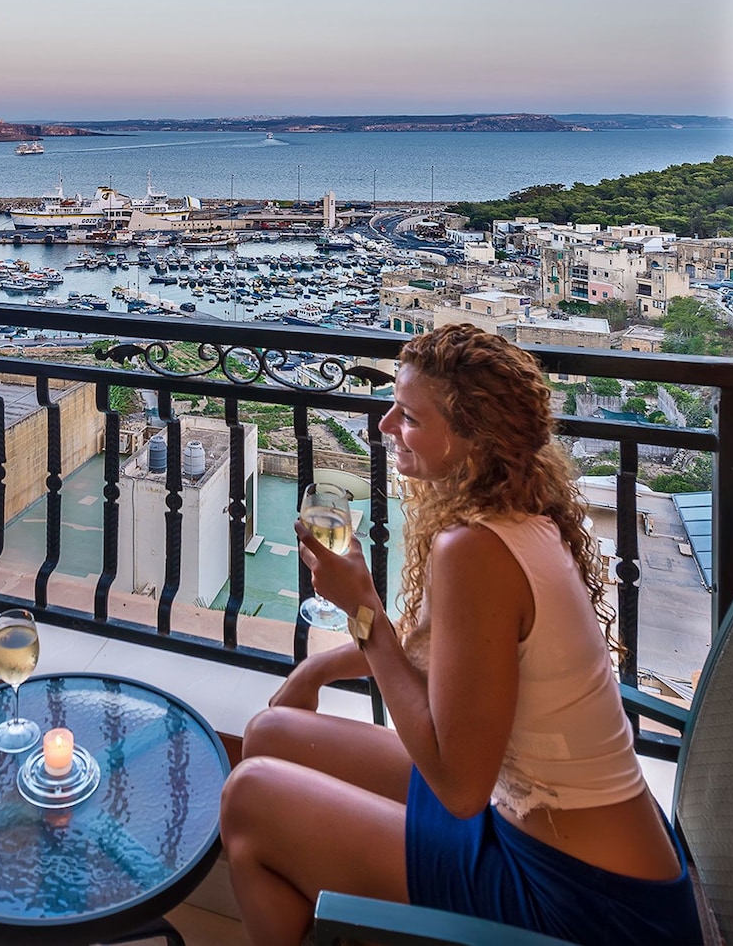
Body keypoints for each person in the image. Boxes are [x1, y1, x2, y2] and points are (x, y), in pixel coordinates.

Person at [218, 324, 702, 946]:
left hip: (584, 902)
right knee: (270, 734)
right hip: (533, 824)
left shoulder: (474, 550)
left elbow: (458, 787)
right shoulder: (517, 513)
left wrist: (363, 609)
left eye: (409, 417)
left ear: (472, 440)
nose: (385, 425)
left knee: (249, 796)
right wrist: (317, 669)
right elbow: (443, 656)